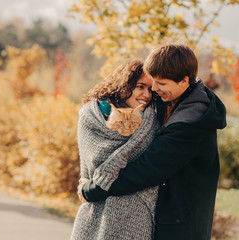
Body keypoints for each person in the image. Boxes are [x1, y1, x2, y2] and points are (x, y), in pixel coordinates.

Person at [79, 43, 227, 240]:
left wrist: (90, 190)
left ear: (184, 81)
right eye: (152, 82)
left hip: (180, 225)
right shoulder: (175, 99)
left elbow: (147, 169)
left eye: (161, 84)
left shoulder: (191, 121)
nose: (154, 90)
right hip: (169, 218)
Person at [70, 60, 161, 240]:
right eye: (140, 86)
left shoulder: (153, 121)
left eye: (150, 89)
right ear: (124, 84)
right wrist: (88, 182)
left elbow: (148, 169)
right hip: (94, 211)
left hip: (136, 214)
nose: (146, 94)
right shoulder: (90, 117)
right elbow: (89, 162)